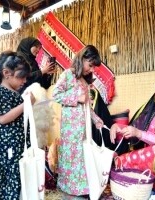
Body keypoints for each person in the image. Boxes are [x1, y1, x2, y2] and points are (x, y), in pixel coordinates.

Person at [52, 45, 104, 197]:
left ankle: (81, 188)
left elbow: (87, 105)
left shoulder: (85, 81)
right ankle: (69, 188)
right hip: (70, 128)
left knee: (81, 158)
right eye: (90, 65)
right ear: (82, 59)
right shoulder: (68, 75)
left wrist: (96, 120)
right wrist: (77, 98)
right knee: (71, 158)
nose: (92, 69)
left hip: (83, 128)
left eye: (94, 67)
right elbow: (56, 95)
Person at [0, 51, 35, 200]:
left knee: (15, 177)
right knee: (9, 179)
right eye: (22, 76)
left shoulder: (12, 92)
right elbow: (2, 118)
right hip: (9, 148)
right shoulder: (1, 92)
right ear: (6, 73)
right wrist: (25, 104)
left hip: (15, 145)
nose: (25, 80)